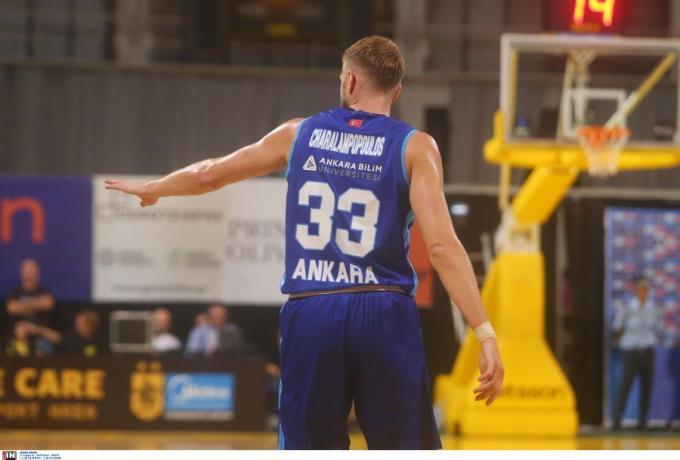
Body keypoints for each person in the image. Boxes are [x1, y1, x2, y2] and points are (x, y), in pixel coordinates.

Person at [105, 35, 504, 450]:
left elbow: (210, 174)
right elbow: (441, 248)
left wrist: (156, 188)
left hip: (312, 308)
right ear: (397, 91)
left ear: (350, 81)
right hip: (384, 309)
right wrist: (485, 333)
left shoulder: (299, 134)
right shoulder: (415, 146)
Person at [612, 276, 663, 430]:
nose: (643, 291)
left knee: (647, 386)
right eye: (641, 288)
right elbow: (617, 327)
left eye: (646, 288)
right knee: (626, 384)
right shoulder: (627, 307)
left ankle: (643, 421)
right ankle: (617, 420)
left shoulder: (653, 307)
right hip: (631, 349)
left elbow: (658, 327)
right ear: (635, 289)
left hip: (647, 349)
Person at [5, 259, 56, 356]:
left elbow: (48, 303)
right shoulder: (15, 292)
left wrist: (23, 306)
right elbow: (12, 308)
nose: (29, 274)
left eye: (32, 271)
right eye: (27, 271)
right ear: (21, 273)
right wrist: (37, 304)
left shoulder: (45, 291)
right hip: (19, 333)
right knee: (19, 332)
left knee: (42, 349)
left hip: (40, 333)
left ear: (38, 274)